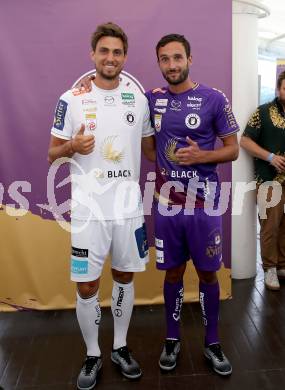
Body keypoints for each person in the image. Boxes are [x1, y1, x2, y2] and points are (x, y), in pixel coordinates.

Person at [48, 22, 155, 390]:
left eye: (118, 52)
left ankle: (120, 347)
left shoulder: (139, 99)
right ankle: (93, 353)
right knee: (87, 286)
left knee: (125, 276)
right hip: (87, 213)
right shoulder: (71, 99)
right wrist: (71, 148)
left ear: (125, 57)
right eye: (104, 51)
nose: (111, 58)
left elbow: (151, 149)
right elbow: (52, 153)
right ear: (93, 54)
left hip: (128, 210)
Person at [145, 34, 239, 376]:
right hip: (167, 206)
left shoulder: (214, 98)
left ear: (189, 58)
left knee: (207, 273)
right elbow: (149, 148)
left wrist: (203, 155)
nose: (171, 65)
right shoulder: (152, 100)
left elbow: (233, 149)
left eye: (177, 58)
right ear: (159, 63)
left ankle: (212, 341)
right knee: (172, 271)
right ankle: (172, 338)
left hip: (205, 206)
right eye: (165, 59)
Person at [240, 71, 285, 291]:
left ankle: (282, 265)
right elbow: (245, 141)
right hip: (268, 178)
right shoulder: (263, 112)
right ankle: (270, 269)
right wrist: (270, 157)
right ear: (279, 89)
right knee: (270, 224)